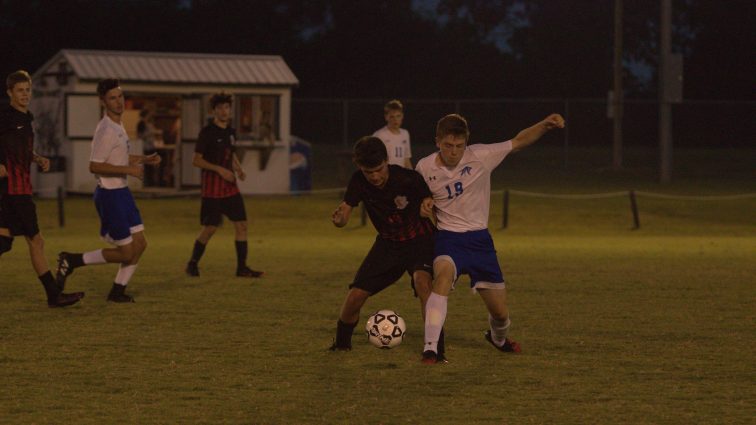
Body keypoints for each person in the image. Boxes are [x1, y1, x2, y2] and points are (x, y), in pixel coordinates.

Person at [415, 112, 565, 364]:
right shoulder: (424, 167)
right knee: (441, 280)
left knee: (501, 314)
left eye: (459, 146)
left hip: (480, 242)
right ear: (437, 141)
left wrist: (544, 125)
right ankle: (430, 349)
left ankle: (497, 338)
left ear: (467, 142)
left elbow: (518, 141)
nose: (454, 152)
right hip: (448, 239)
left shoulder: (482, 156)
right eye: (448, 145)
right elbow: (418, 198)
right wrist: (422, 206)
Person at [329, 136, 445, 359]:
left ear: (387, 161)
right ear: (359, 167)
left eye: (379, 169)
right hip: (388, 245)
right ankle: (341, 346)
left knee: (423, 284)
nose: (374, 177)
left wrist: (427, 205)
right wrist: (340, 220)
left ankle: (435, 350)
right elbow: (345, 211)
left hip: (418, 240)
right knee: (355, 296)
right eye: (368, 171)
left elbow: (429, 202)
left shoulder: (408, 179)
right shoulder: (358, 181)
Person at [55, 78, 161, 303]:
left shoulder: (119, 125)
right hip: (109, 195)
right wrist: (129, 170)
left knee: (140, 245)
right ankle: (72, 260)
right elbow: (94, 165)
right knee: (126, 252)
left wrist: (144, 159)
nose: (118, 101)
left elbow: (119, 157)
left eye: (120, 96)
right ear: (103, 102)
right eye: (112, 98)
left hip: (122, 193)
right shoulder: (106, 129)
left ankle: (117, 290)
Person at [0, 70, 84, 307]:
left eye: (27, 90)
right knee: (36, 241)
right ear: (9, 93)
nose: (25, 94)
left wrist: (37, 158)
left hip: (20, 189)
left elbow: (18, 149)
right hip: (14, 191)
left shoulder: (26, 117)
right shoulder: (5, 116)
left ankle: (53, 295)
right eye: (20, 90)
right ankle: (53, 295)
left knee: (4, 241)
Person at [185, 93, 263, 279]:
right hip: (212, 190)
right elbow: (196, 160)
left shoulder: (231, 132)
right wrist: (220, 170)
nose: (224, 111)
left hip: (230, 188)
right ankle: (192, 263)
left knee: (242, 225)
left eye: (227, 108)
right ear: (214, 111)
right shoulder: (207, 132)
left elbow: (231, 154)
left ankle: (242, 268)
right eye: (220, 108)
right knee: (210, 228)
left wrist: (238, 168)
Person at [373, 99, 412, 169]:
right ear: (386, 117)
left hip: (401, 174)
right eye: (392, 117)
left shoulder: (405, 134)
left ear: (402, 116)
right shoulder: (379, 135)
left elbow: (406, 159)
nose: (395, 120)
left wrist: (412, 175)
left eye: (398, 116)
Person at [136, 109, 162, 186]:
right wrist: (150, 134)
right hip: (146, 147)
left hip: (150, 147)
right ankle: (148, 183)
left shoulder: (148, 124)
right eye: (148, 115)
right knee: (147, 166)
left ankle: (151, 182)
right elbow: (140, 136)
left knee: (151, 166)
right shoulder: (141, 123)